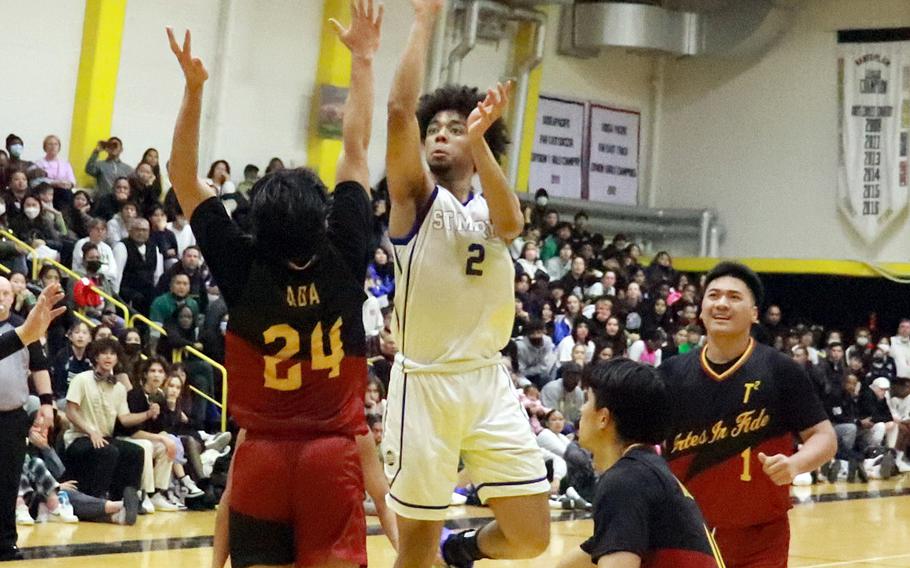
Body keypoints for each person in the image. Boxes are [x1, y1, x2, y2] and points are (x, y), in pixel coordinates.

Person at [167, 2, 380, 564]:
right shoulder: (346, 249)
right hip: (332, 455)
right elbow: (355, 150)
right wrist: (362, 59)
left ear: (256, 224)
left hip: (260, 455)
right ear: (322, 217)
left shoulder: (243, 265)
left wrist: (193, 91)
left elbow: (184, 176)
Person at [383, 2, 549, 566]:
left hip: (487, 381)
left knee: (532, 537)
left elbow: (512, 224)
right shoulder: (413, 200)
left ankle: (465, 551)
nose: (441, 135)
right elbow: (400, 110)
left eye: (456, 128)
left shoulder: (492, 206)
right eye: (435, 129)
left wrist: (478, 138)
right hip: (423, 385)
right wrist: (424, 23)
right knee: (414, 552)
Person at [660, 262, 836, 568]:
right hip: (685, 533)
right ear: (700, 310)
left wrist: (796, 464)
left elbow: (824, 437)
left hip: (760, 537)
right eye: (713, 296)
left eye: (734, 297)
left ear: (755, 313)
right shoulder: (670, 374)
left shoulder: (781, 371)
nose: (722, 304)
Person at [557, 359, 724, 568]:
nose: (581, 409)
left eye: (588, 400)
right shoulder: (646, 471)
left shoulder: (625, 481)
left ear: (603, 418)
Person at [0, 282, 69, 561]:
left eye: (4, 292)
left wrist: (47, 403)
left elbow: (39, 367)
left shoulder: (20, 326)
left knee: (8, 481)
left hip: (12, 414)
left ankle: (5, 543)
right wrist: (26, 333)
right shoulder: (23, 329)